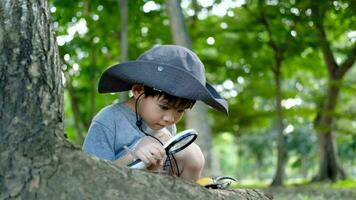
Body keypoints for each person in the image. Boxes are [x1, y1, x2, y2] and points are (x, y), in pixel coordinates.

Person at [82, 45, 228, 182]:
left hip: (161, 186)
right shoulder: (108, 120)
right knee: (148, 143)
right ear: (138, 90)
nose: (170, 119)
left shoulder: (165, 123)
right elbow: (91, 174)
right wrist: (134, 156)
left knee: (193, 153)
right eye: (164, 107)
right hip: (121, 187)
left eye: (180, 111)